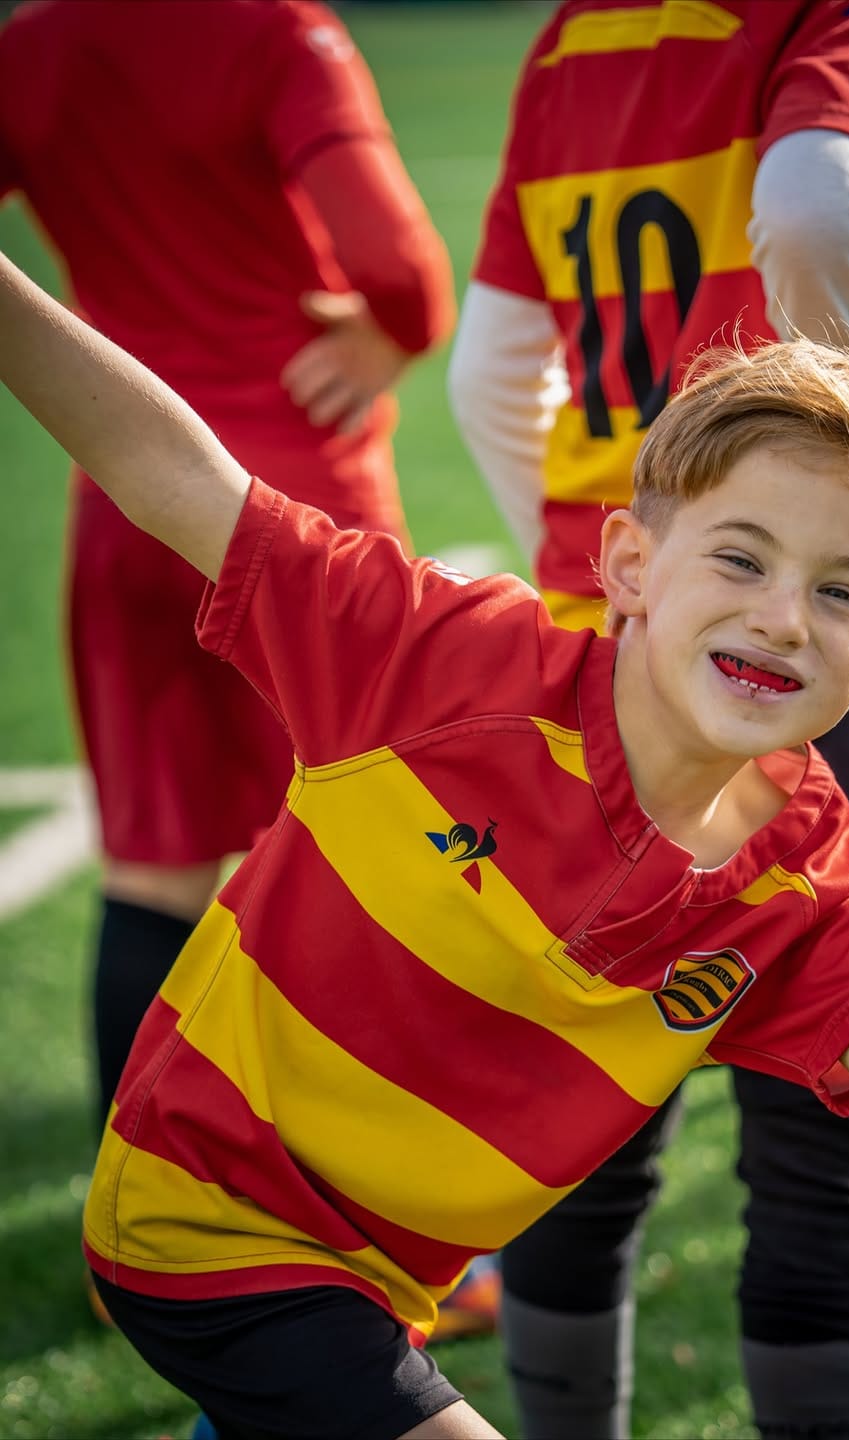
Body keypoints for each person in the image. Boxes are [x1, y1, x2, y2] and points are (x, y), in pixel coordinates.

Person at [6, 250, 849, 1440]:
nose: (784, 616)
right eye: (741, 556)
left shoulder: (800, 877)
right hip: (208, 1218)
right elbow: (173, 477)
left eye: (841, 592)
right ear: (629, 567)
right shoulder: (446, 664)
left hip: (385, 1285)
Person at [448, 2, 849, 1435]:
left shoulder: (569, 36)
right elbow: (812, 197)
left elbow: (491, 364)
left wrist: (600, 561)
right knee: (833, 1114)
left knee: (575, 1104)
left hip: (610, 627)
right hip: (799, 638)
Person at [0, 0, 455, 1130]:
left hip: (124, 500)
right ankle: (343, 1174)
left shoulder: (34, 44)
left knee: (148, 866)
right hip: (295, 507)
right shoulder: (273, 30)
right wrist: (394, 329)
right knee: (357, 848)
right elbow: (399, 266)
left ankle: (137, 1186)